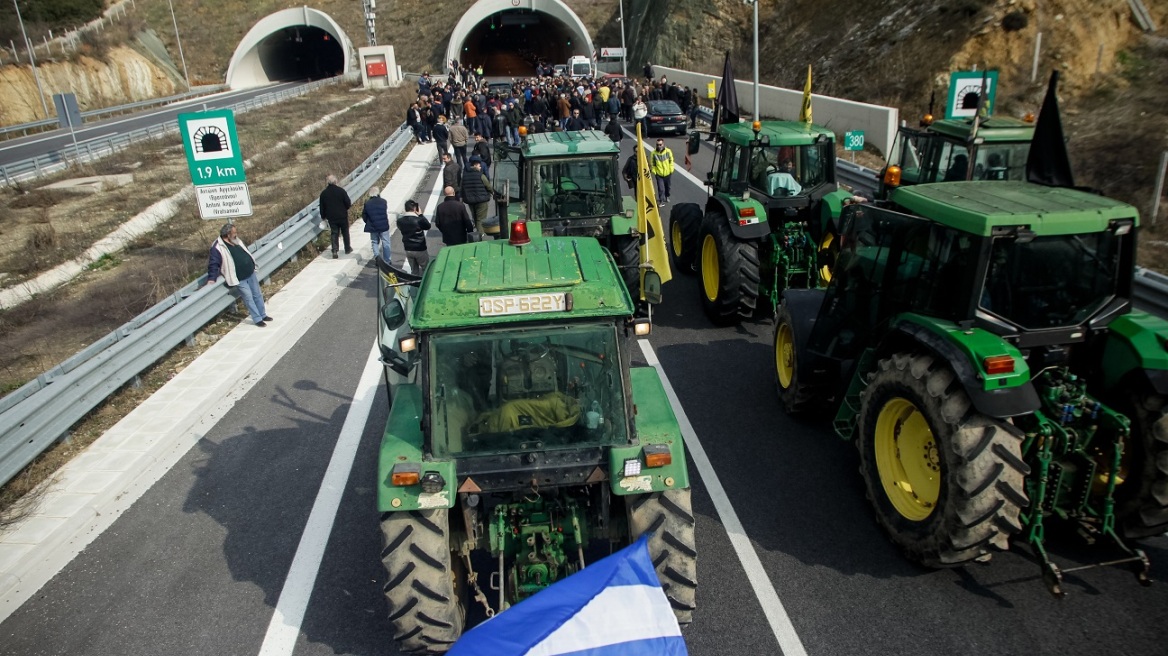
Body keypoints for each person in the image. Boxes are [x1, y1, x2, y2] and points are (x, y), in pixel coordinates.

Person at [205, 223, 271, 327]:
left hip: (250, 272)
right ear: (227, 234)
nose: (236, 234)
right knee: (248, 297)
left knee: (257, 294)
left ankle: (263, 315)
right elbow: (213, 264)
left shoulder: (236, 240)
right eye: (234, 232)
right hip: (239, 277)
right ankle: (257, 319)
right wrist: (212, 278)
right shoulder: (217, 247)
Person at [319, 174, 352, 258]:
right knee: (345, 232)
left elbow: (322, 207)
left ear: (327, 183)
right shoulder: (341, 191)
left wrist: (323, 216)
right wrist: (345, 209)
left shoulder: (323, 194)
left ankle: (334, 250)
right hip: (342, 215)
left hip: (331, 217)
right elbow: (348, 203)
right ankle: (347, 248)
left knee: (334, 233)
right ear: (335, 181)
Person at [462, 157, 496, 235]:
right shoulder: (481, 175)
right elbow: (488, 186)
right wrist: (492, 192)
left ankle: (477, 229)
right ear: (476, 165)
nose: (480, 167)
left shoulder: (465, 176)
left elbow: (462, 187)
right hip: (481, 200)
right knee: (480, 218)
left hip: (470, 200)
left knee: (475, 216)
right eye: (479, 165)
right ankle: (480, 234)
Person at [397, 199, 432, 273]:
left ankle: (414, 283)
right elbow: (428, 226)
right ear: (414, 208)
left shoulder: (400, 221)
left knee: (414, 270)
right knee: (426, 269)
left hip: (408, 248)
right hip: (420, 248)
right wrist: (421, 215)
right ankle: (424, 283)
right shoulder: (419, 220)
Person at [361, 186, 392, 263]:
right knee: (386, 242)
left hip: (373, 226)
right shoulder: (383, 201)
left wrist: (368, 222)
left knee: (374, 242)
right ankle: (387, 260)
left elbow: (364, 216)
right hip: (383, 225)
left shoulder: (367, 203)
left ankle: (377, 257)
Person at [650, 139, 675, 205]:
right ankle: (661, 200)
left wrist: (671, 169)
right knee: (661, 188)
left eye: (660, 144)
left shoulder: (668, 151)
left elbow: (671, 161)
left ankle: (666, 196)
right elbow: (652, 163)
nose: (659, 146)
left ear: (663, 144)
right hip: (659, 174)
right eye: (657, 145)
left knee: (668, 187)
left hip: (667, 173)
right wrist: (654, 171)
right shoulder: (653, 153)